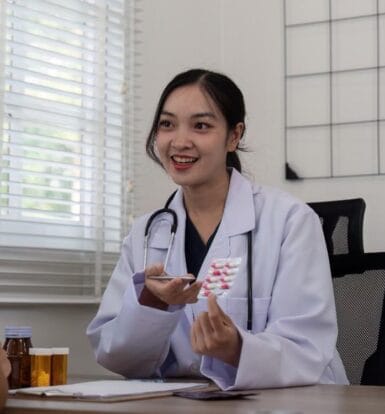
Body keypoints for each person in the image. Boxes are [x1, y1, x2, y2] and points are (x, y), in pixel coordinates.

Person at [87, 68, 348, 390]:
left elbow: (308, 348)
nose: (180, 142)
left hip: (291, 401)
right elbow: (116, 356)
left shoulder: (290, 221)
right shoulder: (146, 233)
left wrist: (237, 349)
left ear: (234, 136)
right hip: (187, 402)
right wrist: (152, 306)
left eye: (201, 126)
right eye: (167, 124)